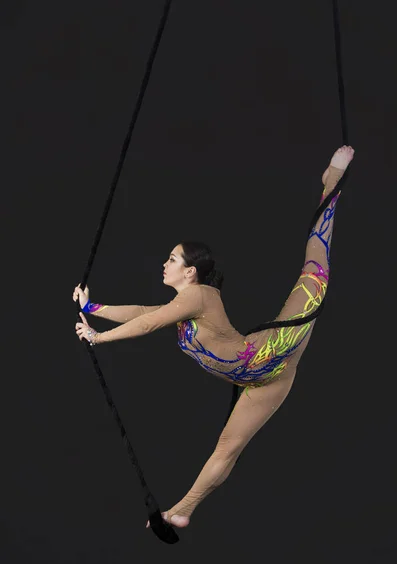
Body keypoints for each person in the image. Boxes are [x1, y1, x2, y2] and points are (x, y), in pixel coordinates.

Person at [74, 145, 355, 529]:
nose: (164, 263)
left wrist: (99, 338)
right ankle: (184, 510)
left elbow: (147, 325)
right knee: (228, 447)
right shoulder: (183, 305)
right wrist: (95, 310)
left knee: (315, 268)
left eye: (172, 259)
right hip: (268, 381)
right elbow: (143, 313)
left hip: (277, 348)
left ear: (190, 272)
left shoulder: (198, 296)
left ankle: (331, 183)